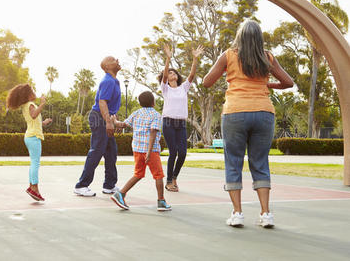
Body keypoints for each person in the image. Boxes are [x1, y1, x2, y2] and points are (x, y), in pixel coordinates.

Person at [203, 20, 294, 228]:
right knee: (260, 163)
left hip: (235, 112)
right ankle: (266, 214)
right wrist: (265, 84)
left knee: (233, 161)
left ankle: (237, 213)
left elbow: (207, 82)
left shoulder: (228, 55)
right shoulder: (267, 56)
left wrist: (230, 76)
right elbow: (289, 82)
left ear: (239, 36)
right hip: (264, 112)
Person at [111, 91, 171, 211]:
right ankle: (161, 201)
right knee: (158, 175)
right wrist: (149, 152)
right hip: (151, 151)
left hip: (137, 149)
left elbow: (123, 124)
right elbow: (153, 133)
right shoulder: (156, 115)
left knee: (138, 174)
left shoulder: (136, 113)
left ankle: (120, 194)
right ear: (153, 103)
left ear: (140, 103)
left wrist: (115, 121)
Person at [158, 43, 204, 192]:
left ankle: (175, 177)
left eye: (174, 73)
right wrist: (168, 58)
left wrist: (195, 59)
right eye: (170, 73)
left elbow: (192, 75)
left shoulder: (183, 87)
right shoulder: (165, 88)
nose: (172, 74)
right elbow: (164, 76)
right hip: (168, 122)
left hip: (181, 123)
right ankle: (169, 181)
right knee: (173, 152)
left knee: (183, 153)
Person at [74, 56, 121, 196]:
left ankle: (109, 185)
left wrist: (114, 121)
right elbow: (102, 102)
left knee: (111, 152)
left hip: (105, 117)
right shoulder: (108, 81)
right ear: (107, 67)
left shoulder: (114, 81)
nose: (117, 60)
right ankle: (81, 185)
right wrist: (107, 122)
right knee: (96, 151)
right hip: (99, 117)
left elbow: (110, 105)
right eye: (113, 59)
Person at [6, 84, 52, 201]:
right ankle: (34, 188)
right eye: (32, 91)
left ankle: (32, 187)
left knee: (34, 163)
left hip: (30, 136)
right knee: (35, 163)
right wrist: (42, 103)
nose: (34, 92)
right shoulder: (31, 105)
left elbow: (34, 121)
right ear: (28, 95)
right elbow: (33, 115)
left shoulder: (26, 106)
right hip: (33, 137)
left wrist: (43, 123)